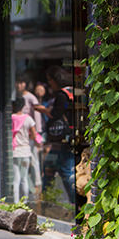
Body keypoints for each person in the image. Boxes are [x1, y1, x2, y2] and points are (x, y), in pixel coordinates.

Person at [34, 66, 75, 203]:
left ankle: (48, 202)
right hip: (67, 139)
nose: (49, 83)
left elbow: (55, 114)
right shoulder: (71, 92)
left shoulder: (61, 95)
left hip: (61, 140)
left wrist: (43, 110)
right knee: (60, 170)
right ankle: (70, 203)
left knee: (61, 171)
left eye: (50, 80)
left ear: (55, 79)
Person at [11, 98, 41, 203]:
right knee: (24, 178)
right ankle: (25, 202)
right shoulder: (28, 119)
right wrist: (29, 137)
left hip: (15, 151)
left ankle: (15, 202)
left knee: (16, 179)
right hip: (25, 151)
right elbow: (34, 134)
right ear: (23, 106)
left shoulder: (11, 118)